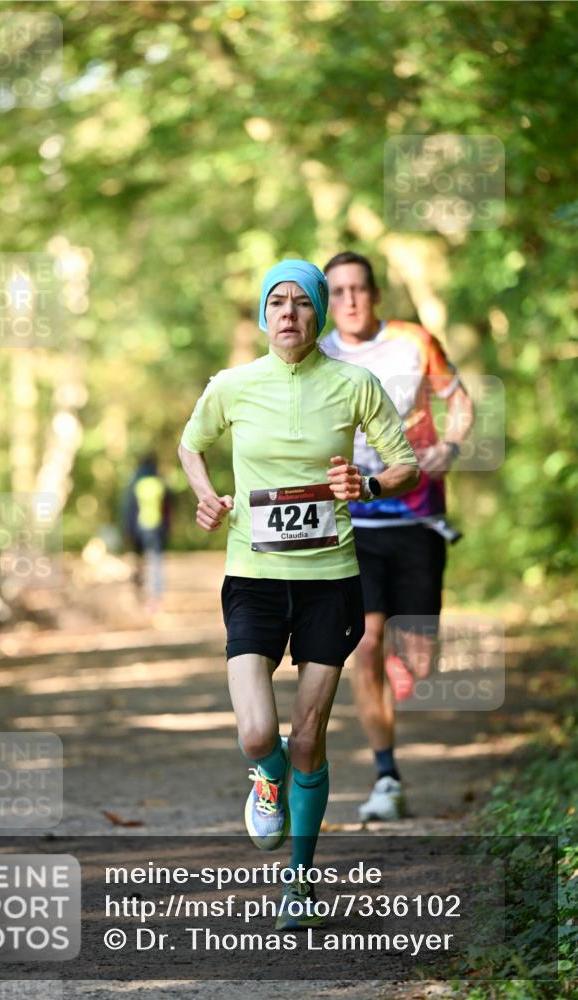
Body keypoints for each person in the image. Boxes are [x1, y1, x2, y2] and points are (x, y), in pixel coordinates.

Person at [178, 259, 418, 928]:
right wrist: (205, 496)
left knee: (308, 739)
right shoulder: (232, 386)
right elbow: (191, 443)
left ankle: (299, 883)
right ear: (262, 314)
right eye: (276, 303)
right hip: (252, 577)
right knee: (259, 734)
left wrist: (366, 485)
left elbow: (403, 463)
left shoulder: (353, 383)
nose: (288, 313)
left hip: (329, 582)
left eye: (302, 304)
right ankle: (266, 776)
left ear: (318, 315)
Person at [321, 251, 474, 822]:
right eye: (338, 291)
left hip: (416, 518)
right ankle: (387, 775)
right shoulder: (318, 353)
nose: (350, 300)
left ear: (375, 294)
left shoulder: (413, 340)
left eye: (359, 288)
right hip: (352, 524)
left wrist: (450, 447)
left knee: (418, 659)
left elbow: (459, 401)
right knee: (364, 646)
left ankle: (408, 667)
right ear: (327, 300)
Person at [120, 454, 171, 612]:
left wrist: (128, 531)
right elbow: (168, 510)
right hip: (157, 528)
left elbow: (129, 510)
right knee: (155, 562)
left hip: (138, 528)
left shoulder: (136, 484)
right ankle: (154, 598)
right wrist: (167, 529)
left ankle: (138, 593)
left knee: (139, 563)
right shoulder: (160, 484)